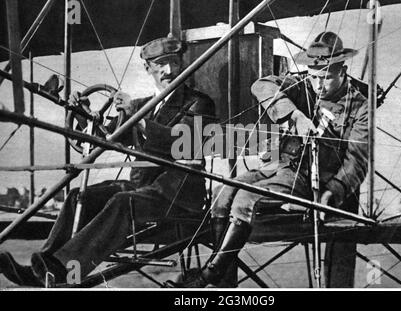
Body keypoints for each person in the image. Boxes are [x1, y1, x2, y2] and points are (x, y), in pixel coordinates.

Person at [0, 36, 216, 287]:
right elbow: (107, 138)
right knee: (76, 198)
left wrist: (138, 118)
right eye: (161, 64)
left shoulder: (200, 103)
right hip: (144, 188)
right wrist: (84, 114)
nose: (168, 71)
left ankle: (62, 270)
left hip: (177, 195)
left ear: (182, 63)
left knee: (122, 202)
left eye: (174, 63)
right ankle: (43, 268)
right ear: (148, 69)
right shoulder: (142, 104)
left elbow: (182, 143)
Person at [176, 31, 369, 288]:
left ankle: (208, 276)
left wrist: (333, 191)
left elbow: (357, 160)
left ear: (342, 70)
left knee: (245, 200)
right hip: (281, 167)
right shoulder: (302, 85)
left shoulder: (360, 107)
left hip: (313, 180)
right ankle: (220, 278)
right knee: (223, 194)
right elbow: (262, 85)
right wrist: (295, 115)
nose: (318, 85)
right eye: (313, 77)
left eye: (326, 78)